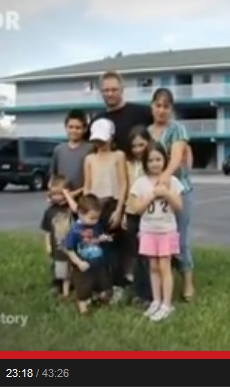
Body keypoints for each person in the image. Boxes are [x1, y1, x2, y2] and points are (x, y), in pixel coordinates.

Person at [90, 70, 153, 294]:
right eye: (105, 90)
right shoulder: (98, 120)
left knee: (139, 238)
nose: (110, 93)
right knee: (112, 238)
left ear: (122, 89)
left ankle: (144, 286)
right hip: (112, 191)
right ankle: (117, 283)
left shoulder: (141, 112)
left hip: (138, 184)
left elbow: (160, 131)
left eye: (114, 89)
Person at [147, 88, 195, 301]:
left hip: (178, 189)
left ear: (171, 109)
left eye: (166, 106)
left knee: (180, 239)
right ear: (152, 107)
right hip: (152, 194)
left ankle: (188, 283)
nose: (161, 110)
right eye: (158, 105)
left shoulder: (177, 129)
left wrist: (165, 176)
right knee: (156, 238)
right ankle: (158, 286)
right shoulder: (145, 131)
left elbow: (176, 158)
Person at [129, 143, 184, 321]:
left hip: (166, 231)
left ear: (164, 160)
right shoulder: (140, 183)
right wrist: (152, 195)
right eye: (150, 160)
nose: (155, 163)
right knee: (153, 267)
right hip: (148, 231)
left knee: (164, 267)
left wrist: (167, 194)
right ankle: (156, 300)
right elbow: (136, 208)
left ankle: (167, 304)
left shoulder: (173, 182)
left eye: (158, 159)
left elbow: (179, 207)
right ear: (145, 162)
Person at [83, 117, 128, 303]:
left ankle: (117, 286)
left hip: (112, 203)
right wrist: (83, 209)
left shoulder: (118, 156)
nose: (100, 144)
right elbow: (87, 184)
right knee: (93, 247)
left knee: (114, 249)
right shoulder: (89, 158)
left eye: (103, 140)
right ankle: (98, 287)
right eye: (96, 140)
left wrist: (119, 210)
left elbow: (124, 183)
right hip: (93, 205)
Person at [64, 194, 113, 315]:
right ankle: (83, 308)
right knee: (83, 288)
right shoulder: (75, 230)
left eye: (97, 218)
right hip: (83, 265)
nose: (95, 221)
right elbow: (68, 249)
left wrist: (103, 238)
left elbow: (97, 238)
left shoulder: (96, 226)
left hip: (98, 262)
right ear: (80, 213)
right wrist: (78, 262)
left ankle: (100, 299)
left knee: (103, 285)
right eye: (92, 218)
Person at [121, 126, 153, 306]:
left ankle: (150, 294)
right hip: (132, 213)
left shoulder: (154, 162)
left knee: (148, 256)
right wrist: (125, 212)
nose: (138, 149)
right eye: (134, 146)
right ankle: (139, 292)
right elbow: (127, 189)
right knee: (135, 255)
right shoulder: (129, 163)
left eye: (142, 144)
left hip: (149, 215)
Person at [40, 175, 75, 298]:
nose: (58, 197)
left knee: (71, 271)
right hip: (57, 247)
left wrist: (68, 196)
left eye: (61, 194)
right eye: (54, 194)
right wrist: (48, 245)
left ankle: (66, 292)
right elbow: (47, 231)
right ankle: (59, 288)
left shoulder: (71, 209)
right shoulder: (49, 212)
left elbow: (76, 210)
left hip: (72, 247)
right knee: (59, 270)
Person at [49, 110, 92, 194]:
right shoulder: (59, 150)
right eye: (71, 127)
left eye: (78, 128)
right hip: (61, 198)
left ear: (85, 129)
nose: (74, 131)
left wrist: (73, 194)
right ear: (66, 127)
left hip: (83, 199)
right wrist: (54, 192)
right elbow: (53, 177)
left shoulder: (90, 149)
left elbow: (93, 180)